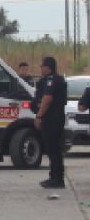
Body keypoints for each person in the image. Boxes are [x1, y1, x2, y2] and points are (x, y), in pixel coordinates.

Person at [32, 56, 67, 189]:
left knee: (53, 149)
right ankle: (54, 177)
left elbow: (47, 99)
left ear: (48, 67)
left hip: (52, 119)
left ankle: (57, 179)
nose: (41, 68)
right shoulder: (55, 79)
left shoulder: (51, 80)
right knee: (53, 149)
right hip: (55, 118)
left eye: (42, 66)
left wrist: (39, 116)